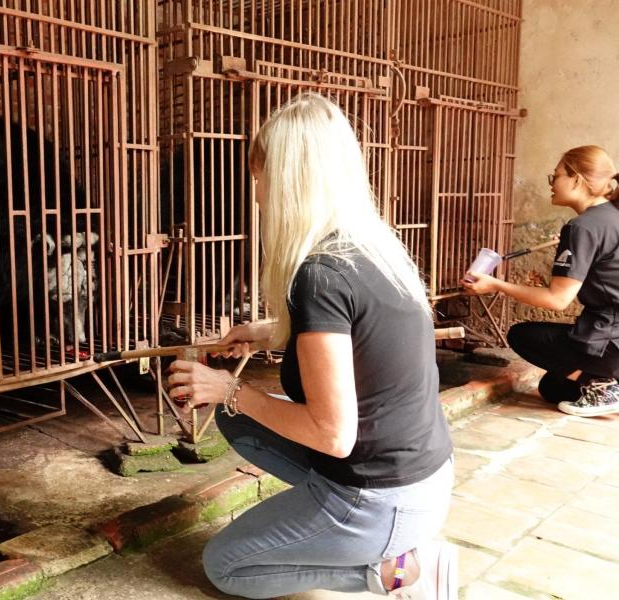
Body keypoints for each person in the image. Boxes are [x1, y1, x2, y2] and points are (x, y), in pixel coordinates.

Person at [167, 93, 456, 599]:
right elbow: (359, 334)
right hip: (424, 481)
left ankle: (401, 573)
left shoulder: (318, 275)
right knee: (240, 420)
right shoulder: (373, 249)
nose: (256, 194)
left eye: (261, 178)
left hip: (381, 499)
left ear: (290, 180)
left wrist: (226, 387)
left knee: (225, 564)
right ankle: (327, 521)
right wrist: (265, 331)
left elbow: (333, 435)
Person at [462, 145, 619, 417]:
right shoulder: (609, 218)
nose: (552, 183)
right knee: (552, 388)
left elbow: (557, 300)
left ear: (577, 179)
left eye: (556, 176)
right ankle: (603, 381)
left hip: (611, 338)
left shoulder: (582, 227)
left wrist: (496, 284)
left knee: (522, 336)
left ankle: (602, 386)